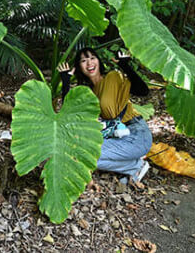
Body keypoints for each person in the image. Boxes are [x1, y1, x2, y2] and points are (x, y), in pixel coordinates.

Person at [58, 46, 152, 184]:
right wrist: (66, 81)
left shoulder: (112, 77)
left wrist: (125, 66)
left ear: (98, 61)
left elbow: (143, 91)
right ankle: (135, 165)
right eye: (84, 60)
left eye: (92, 58)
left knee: (85, 155)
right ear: (79, 67)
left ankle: (135, 165)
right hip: (117, 135)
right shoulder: (88, 93)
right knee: (79, 154)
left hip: (137, 133)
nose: (89, 63)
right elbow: (69, 113)